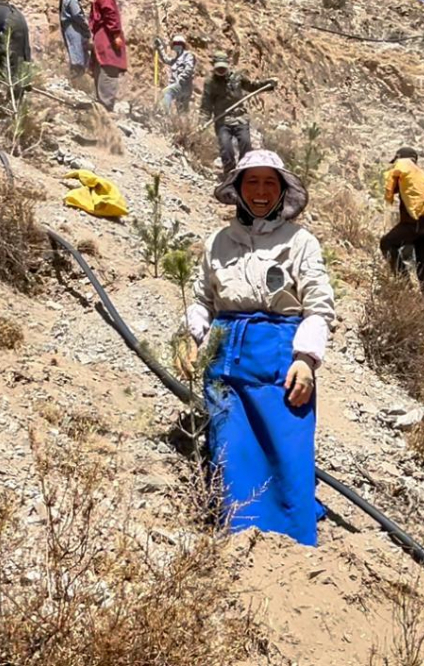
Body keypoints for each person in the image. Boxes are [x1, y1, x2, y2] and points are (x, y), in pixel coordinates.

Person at [185, 149, 334, 546]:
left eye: (270, 182)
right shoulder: (218, 242)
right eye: (252, 182)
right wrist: (195, 338)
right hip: (225, 362)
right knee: (232, 454)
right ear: (238, 189)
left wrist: (306, 360)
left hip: (279, 360)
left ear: (283, 190)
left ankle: (294, 544)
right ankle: (239, 542)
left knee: (288, 452)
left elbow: (319, 307)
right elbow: (202, 301)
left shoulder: (300, 242)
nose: (261, 191)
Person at [380, 147, 424, 297]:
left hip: (416, 224)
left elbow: (391, 185)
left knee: (387, 243)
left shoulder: (403, 165)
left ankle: (404, 286)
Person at [199, 52, 277, 176]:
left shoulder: (237, 77)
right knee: (226, 149)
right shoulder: (210, 83)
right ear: (213, 66)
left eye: (223, 67)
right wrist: (202, 121)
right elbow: (206, 105)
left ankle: (244, 173)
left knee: (246, 145)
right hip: (222, 121)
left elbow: (252, 86)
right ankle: (230, 175)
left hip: (240, 118)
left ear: (227, 65)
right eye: (218, 68)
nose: (221, 70)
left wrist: (268, 84)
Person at [88, 0, 126, 111]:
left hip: (101, 36)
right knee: (109, 67)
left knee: (102, 66)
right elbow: (109, 12)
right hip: (107, 36)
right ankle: (106, 105)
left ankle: (101, 105)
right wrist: (116, 33)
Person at [154, 34, 196, 113]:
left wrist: (181, 78)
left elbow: (189, 68)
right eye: (175, 44)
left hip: (183, 85)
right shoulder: (176, 59)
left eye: (179, 44)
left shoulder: (187, 55)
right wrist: (159, 47)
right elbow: (166, 59)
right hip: (180, 87)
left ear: (183, 45)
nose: (177, 45)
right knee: (181, 109)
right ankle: (183, 120)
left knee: (167, 92)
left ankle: (165, 114)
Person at [59, 0, 91, 77]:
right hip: (74, 27)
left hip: (70, 27)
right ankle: (77, 77)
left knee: (75, 52)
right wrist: (87, 26)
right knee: (77, 54)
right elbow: (77, 14)